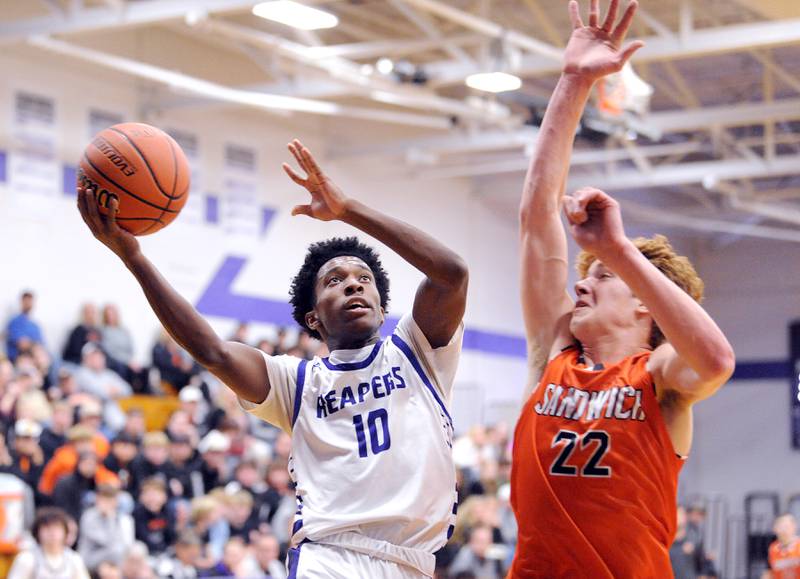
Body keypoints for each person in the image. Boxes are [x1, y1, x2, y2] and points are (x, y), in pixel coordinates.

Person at [76, 138, 468, 579]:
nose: (354, 285)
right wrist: (135, 259)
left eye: (364, 279)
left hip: (413, 563)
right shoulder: (297, 381)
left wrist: (348, 209)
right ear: (312, 318)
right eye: (335, 281)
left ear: (382, 305)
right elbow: (212, 350)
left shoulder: (418, 352)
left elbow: (451, 273)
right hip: (331, 557)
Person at [509, 1, 736, 576]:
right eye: (584, 276)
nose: (581, 288)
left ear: (644, 301)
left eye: (600, 278)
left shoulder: (661, 375)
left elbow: (715, 359)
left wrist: (620, 252)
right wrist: (573, 81)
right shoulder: (554, 352)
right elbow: (537, 217)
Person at [7, 507, 90, 579]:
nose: (52, 533)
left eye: (57, 528)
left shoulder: (74, 559)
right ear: (37, 532)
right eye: (47, 528)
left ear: (65, 532)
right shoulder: (27, 559)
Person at [78, 484, 135, 571]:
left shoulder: (123, 519)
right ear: (97, 500)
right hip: (90, 557)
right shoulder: (88, 516)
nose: (107, 503)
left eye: (110, 500)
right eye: (104, 500)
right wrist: (109, 519)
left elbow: (128, 543)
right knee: (117, 551)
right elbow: (106, 541)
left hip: (114, 555)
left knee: (138, 550)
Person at [5, 291, 44, 362]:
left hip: (36, 358)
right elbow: (22, 344)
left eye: (30, 301)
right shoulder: (14, 322)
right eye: (26, 301)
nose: (28, 304)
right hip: (19, 358)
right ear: (21, 302)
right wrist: (34, 346)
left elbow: (41, 344)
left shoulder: (35, 325)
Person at [768, 514, 800, 579]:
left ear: (794, 526)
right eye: (781, 526)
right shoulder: (773, 548)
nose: (784, 530)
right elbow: (769, 572)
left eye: (787, 526)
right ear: (775, 528)